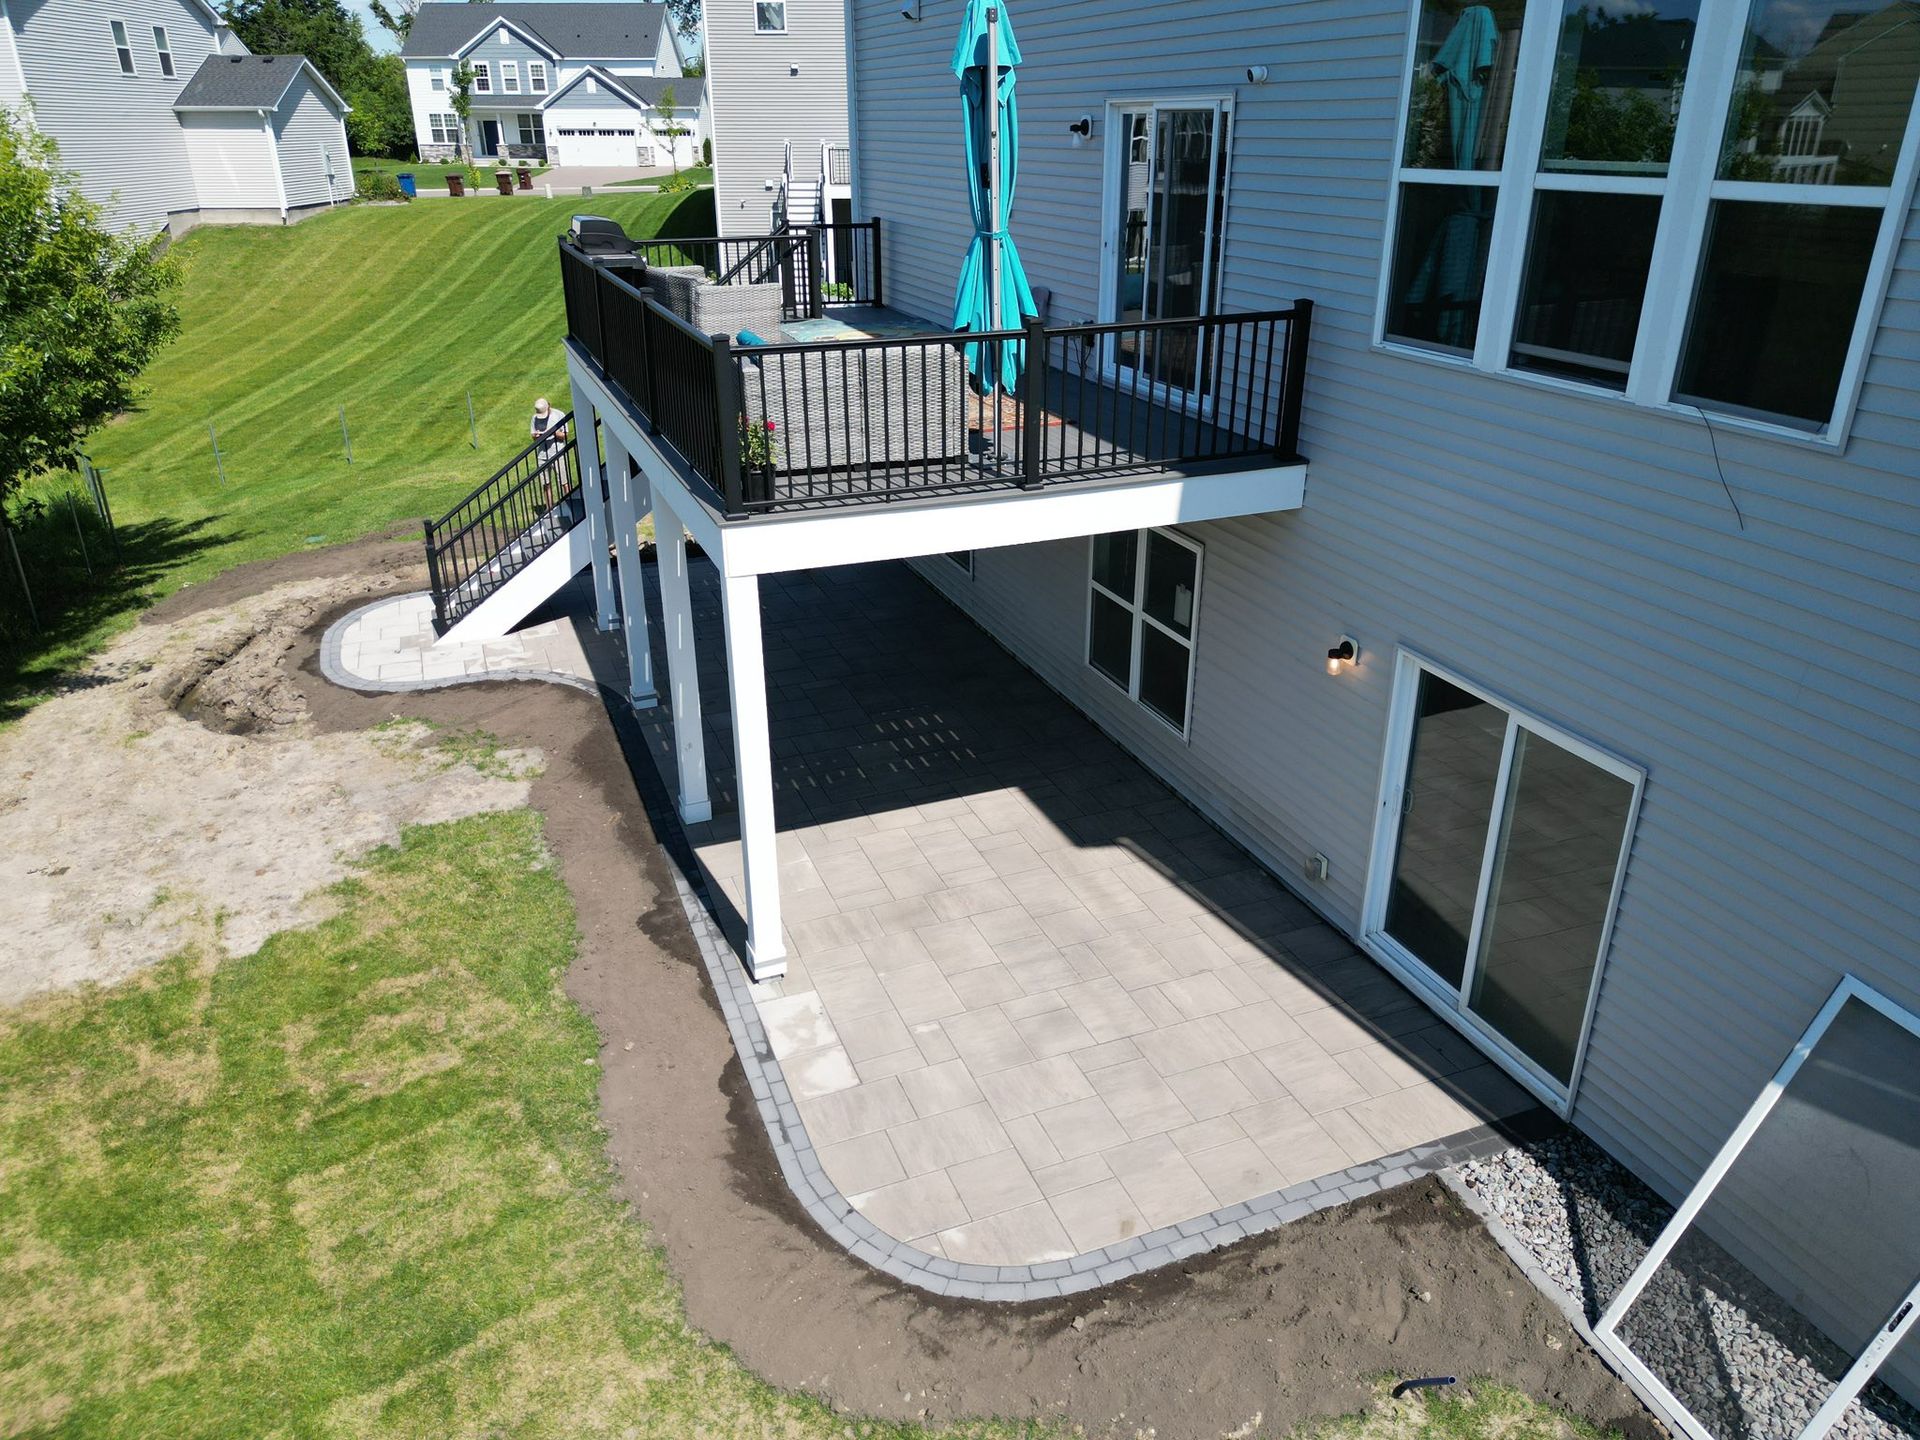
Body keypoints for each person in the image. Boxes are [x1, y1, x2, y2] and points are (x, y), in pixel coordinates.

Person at [530, 398, 568, 513]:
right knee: (545, 482)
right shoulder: (535, 418)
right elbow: (533, 436)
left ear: (549, 406)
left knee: (564, 481)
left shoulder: (559, 415)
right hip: (542, 454)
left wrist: (555, 433)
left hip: (557, 452)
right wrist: (536, 436)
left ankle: (568, 501)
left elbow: (565, 435)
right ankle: (549, 507)